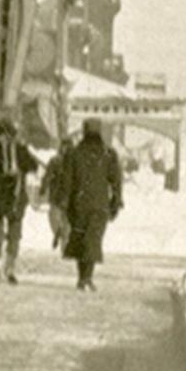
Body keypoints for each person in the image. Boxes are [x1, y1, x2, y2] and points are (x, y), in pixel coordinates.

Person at [58, 118, 124, 291]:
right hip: (99, 205)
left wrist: (64, 202)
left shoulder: (73, 153)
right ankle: (87, 277)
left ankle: (83, 277)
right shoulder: (108, 154)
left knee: (81, 239)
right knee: (93, 240)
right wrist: (116, 201)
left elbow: (66, 181)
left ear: (84, 131)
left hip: (78, 204)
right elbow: (116, 181)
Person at [0, 117, 39, 284]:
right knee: (13, 236)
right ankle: (8, 268)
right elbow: (33, 166)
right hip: (14, 198)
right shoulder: (19, 150)